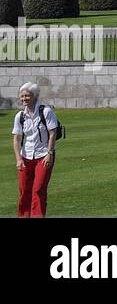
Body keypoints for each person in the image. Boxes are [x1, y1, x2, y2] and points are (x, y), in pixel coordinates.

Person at [12, 82, 58, 218]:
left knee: (38, 190)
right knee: (24, 190)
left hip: (43, 155)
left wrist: (49, 153)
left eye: (27, 96)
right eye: (22, 96)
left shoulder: (46, 112)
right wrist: (18, 159)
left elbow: (53, 133)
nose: (24, 98)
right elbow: (16, 138)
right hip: (25, 156)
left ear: (35, 96)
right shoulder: (20, 116)